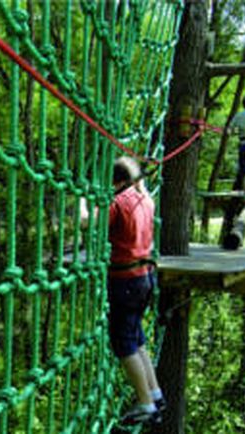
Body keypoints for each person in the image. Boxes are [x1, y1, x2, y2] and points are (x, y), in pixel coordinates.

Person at [83, 156, 165, 425]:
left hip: (126, 281)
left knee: (124, 343)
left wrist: (83, 196)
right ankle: (154, 393)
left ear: (115, 182)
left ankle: (145, 404)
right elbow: (140, 187)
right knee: (137, 337)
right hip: (145, 277)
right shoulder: (147, 201)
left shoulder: (118, 203)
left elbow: (86, 222)